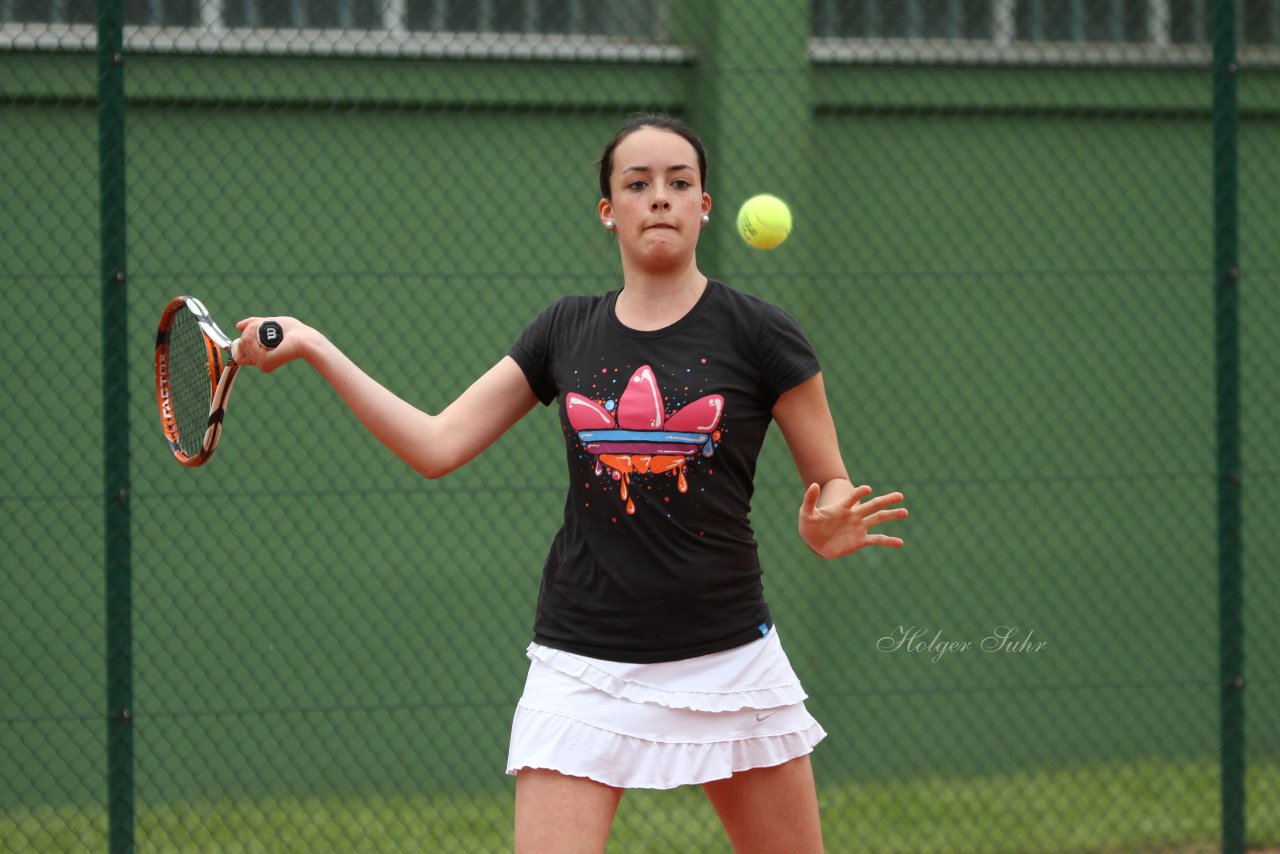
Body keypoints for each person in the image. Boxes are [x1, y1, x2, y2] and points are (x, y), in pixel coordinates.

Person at [234, 112, 907, 853]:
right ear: (608, 211)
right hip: (583, 662)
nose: (660, 198)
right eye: (638, 183)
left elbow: (831, 479)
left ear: (705, 207)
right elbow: (436, 444)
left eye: (680, 183)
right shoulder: (564, 330)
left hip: (730, 657)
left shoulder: (760, 332)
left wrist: (828, 517)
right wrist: (316, 347)